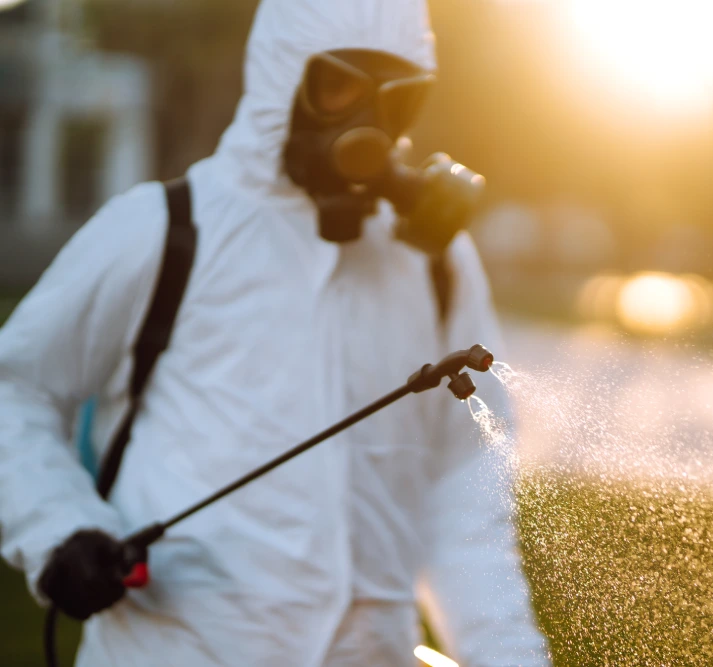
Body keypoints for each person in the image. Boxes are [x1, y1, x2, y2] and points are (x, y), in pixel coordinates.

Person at [0, 0, 550, 665]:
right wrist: (60, 526)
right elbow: (16, 388)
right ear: (281, 78)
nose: (369, 124)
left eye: (397, 97)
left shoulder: (435, 262)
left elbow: (466, 482)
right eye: (342, 87)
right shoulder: (166, 231)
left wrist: (509, 652)